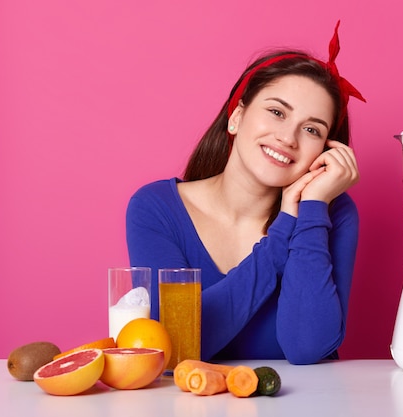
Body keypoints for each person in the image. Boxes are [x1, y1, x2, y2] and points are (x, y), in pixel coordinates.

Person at [125, 21, 365, 365]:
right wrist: (283, 231)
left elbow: (308, 347)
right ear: (236, 117)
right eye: (277, 112)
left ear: (326, 152)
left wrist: (311, 209)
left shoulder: (330, 213)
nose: (288, 137)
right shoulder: (155, 209)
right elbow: (178, 345)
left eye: (312, 129)